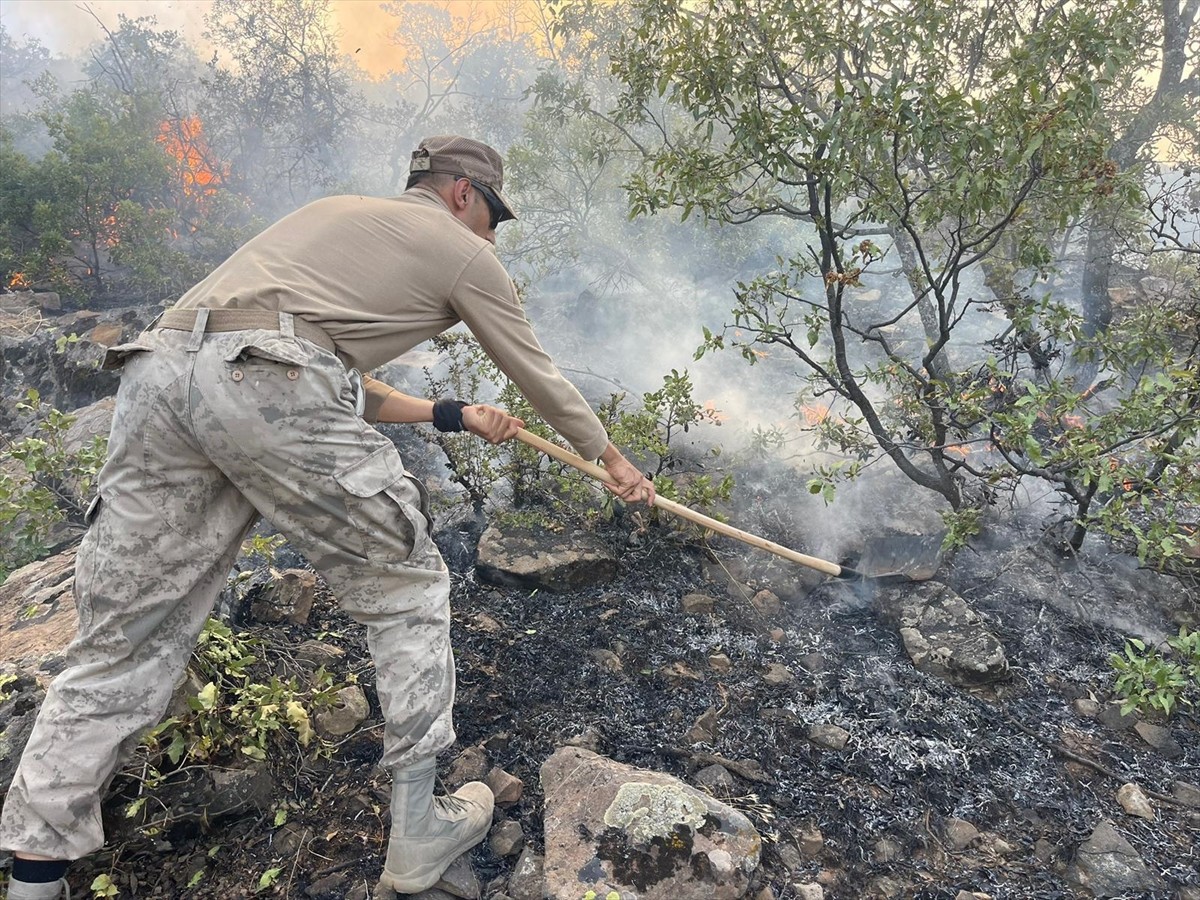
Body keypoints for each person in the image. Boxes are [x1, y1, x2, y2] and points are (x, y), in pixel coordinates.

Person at [1, 135, 656, 899]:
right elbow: (533, 368)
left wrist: (452, 412)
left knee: (115, 646)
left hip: (158, 373)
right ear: (462, 194)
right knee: (408, 587)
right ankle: (419, 835)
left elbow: (298, 364)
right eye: (492, 216)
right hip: (263, 377)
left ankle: (35, 878)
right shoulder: (463, 250)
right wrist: (612, 460)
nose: (491, 235)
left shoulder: (334, 220)